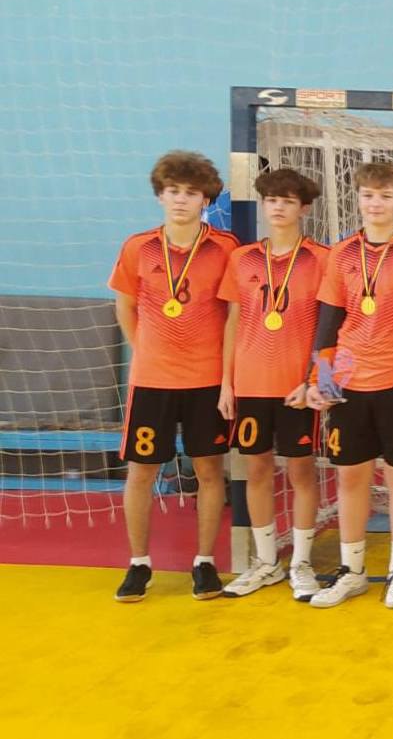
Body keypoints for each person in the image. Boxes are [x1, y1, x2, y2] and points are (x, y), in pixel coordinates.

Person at [305, 162, 393, 609]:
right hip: (348, 381)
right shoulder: (341, 253)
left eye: (385, 195)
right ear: (358, 199)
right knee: (350, 475)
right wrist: (320, 380)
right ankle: (353, 571)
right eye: (368, 195)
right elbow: (328, 321)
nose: (376, 203)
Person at [109, 150, 238, 602]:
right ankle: (138, 563)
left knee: (209, 470)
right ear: (160, 196)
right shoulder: (138, 246)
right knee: (141, 471)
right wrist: (142, 348)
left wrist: (228, 379)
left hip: (206, 379)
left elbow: (234, 315)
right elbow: (125, 303)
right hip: (153, 380)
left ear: (206, 199)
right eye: (173, 191)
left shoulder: (226, 248)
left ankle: (204, 562)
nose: (181, 199)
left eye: (190, 192)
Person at [217, 168, 328, 601]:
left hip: (296, 387)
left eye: (287, 200)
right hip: (250, 384)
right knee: (256, 470)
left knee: (301, 471)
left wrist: (318, 381)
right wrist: (226, 384)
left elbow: (333, 326)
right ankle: (267, 562)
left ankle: (301, 562)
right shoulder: (242, 258)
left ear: (304, 208)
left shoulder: (321, 258)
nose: (278, 207)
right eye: (271, 200)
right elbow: (232, 321)